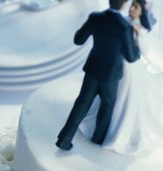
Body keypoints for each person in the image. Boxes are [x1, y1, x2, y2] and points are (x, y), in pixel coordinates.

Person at [78, 0, 163, 155]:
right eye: (131, 5)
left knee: (123, 97)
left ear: (142, 11)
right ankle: (103, 127)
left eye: (135, 7)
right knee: (108, 98)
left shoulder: (141, 29)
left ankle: (117, 129)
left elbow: (143, 51)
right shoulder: (124, 22)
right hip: (113, 65)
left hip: (130, 68)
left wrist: (138, 34)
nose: (131, 9)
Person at [55, 0, 141, 150]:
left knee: (81, 103)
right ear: (124, 4)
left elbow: (78, 40)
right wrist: (138, 45)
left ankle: (64, 139)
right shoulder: (124, 27)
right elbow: (131, 57)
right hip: (111, 75)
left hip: (93, 69)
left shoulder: (95, 17)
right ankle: (97, 140)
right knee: (106, 108)